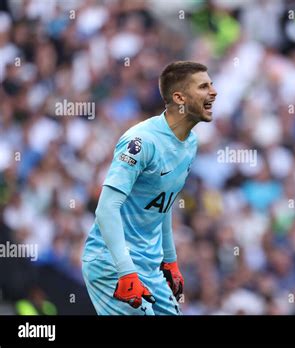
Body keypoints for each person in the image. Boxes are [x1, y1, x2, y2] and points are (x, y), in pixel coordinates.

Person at [81, 61, 217, 315]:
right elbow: (106, 209)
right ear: (179, 98)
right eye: (203, 86)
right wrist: (125, 270)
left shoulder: (190, 144)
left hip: (148, 267)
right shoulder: (141, 142)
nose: (213, 92)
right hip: (111, 263)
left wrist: (170, 260)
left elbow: (162, 205)